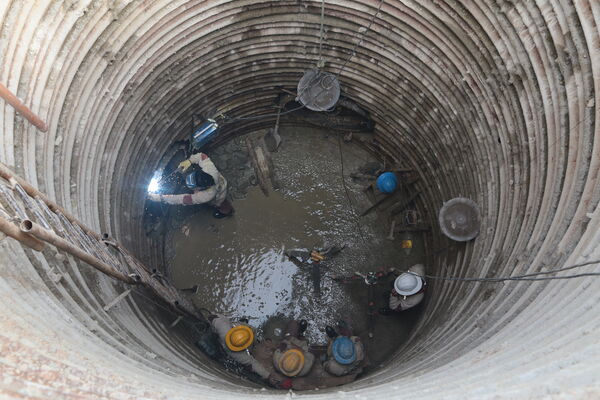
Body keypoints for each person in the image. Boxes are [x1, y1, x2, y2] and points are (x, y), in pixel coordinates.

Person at [147, 152, 233, 218]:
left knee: (220, 203)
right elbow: (201, 156)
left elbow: (181, 199)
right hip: (221, 183)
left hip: (218, 195)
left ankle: (227, 212)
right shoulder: (211, 170)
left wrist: (160, 198)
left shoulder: (206, 196)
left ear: (201, 188)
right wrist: (189, 161)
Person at [209, 314, 286, 387]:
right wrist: (267, 375)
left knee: (253, 331)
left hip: (237, 327)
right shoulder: (238, 355)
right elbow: (252, 363)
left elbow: (213, 317)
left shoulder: (223, 326)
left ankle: (248, 330)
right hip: (239, 332)